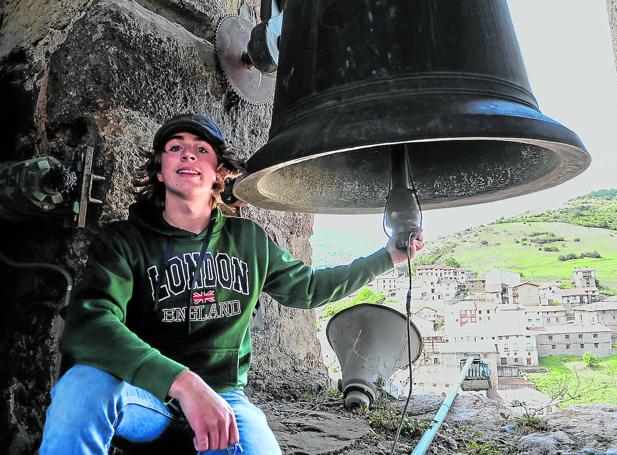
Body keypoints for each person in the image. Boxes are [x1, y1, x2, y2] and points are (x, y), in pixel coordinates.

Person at [39, 113, 424, 454]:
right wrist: (182, 383)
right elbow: (90, 325)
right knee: (82, 386)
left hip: (225, 402)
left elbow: (310, 288)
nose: (187, 154)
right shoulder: (122, 242)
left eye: (201, 149)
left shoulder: (248, 241)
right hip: (145, 397)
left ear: (220, 172)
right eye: (175, 147)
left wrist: (387, 256)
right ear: (159, 170)